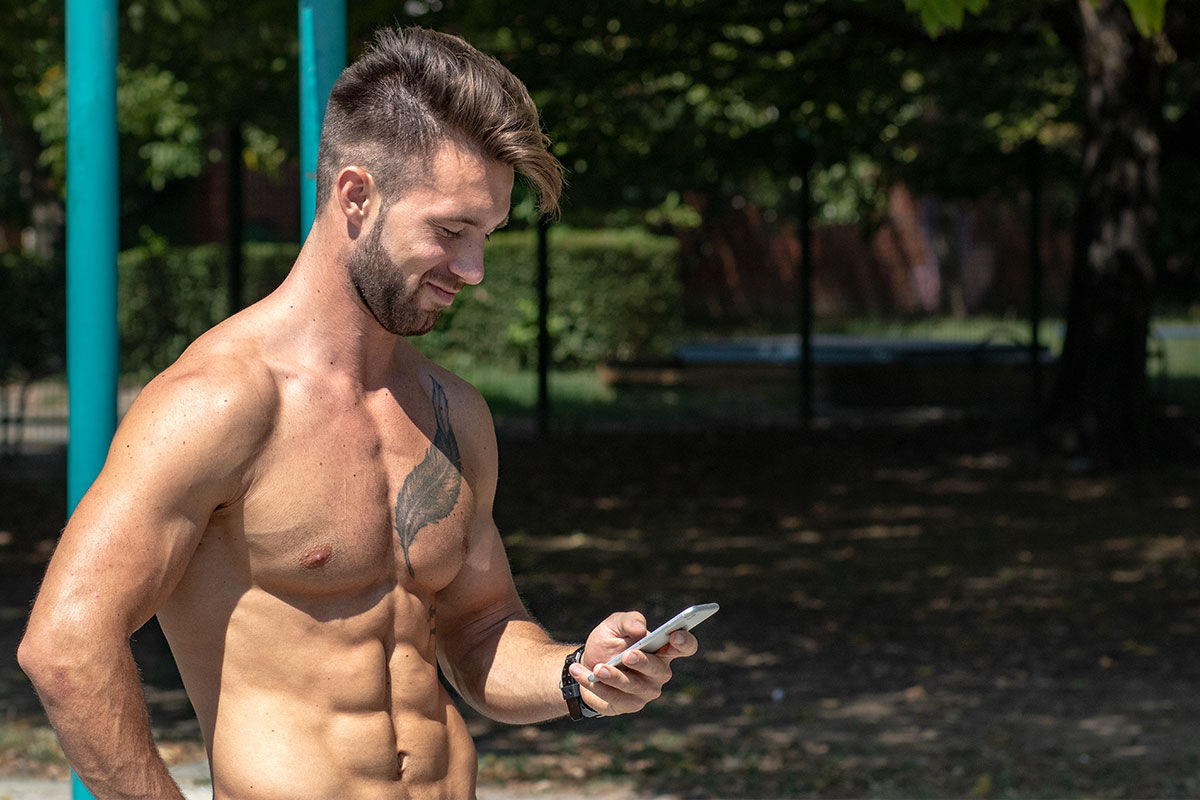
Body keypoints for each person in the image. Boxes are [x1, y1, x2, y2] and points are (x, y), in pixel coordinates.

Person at [18, 26, 701, 800]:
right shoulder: (218, 404)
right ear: (355, 195)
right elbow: (67, 647)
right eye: (450, 231)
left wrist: (577, 674)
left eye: (487, 237)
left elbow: (479, 627)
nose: (474, 271)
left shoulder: (451, 412)